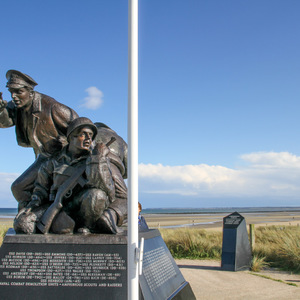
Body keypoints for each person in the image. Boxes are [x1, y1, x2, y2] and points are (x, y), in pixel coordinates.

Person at [14, 117, 124, 234]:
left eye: (90, 135)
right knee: (22, 224)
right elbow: (40, 189)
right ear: (71, 137)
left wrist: (98, 159)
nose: (88, 139)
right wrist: (33, 204)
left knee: (97, 195)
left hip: (81, 207)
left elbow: (108, 191)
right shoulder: (53, 161)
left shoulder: (94, 159)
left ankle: (86, 226)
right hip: (56, 204)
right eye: (83, 134)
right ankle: (61, 223)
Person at [0, 70, 79, 210]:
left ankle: (34, 214)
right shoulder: (17, 106)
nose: (14, 96)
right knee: (22, 189)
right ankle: (30, 216)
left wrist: (67, 143)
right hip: (43, 158)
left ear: (30, 92)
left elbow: (81, 128)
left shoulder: (52, 107)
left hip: (62, 160)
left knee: (19, 188)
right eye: (11, 92)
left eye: (18, 91)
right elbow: (5, 122)